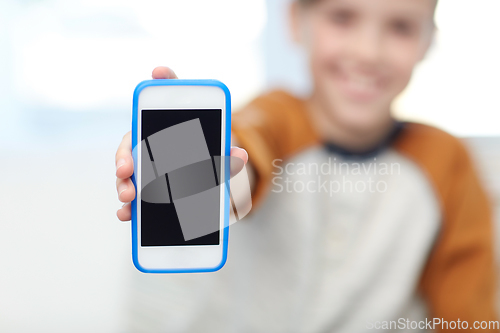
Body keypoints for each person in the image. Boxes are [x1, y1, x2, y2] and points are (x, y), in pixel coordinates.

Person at [115, 0, 498, 331]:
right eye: (342, 17)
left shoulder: (448, 162)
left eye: (400, 27)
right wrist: (209, 175)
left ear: (428, 41)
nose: (369, 52)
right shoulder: (274, 116)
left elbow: (469, 314)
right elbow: (246, 154)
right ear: (297, 21)